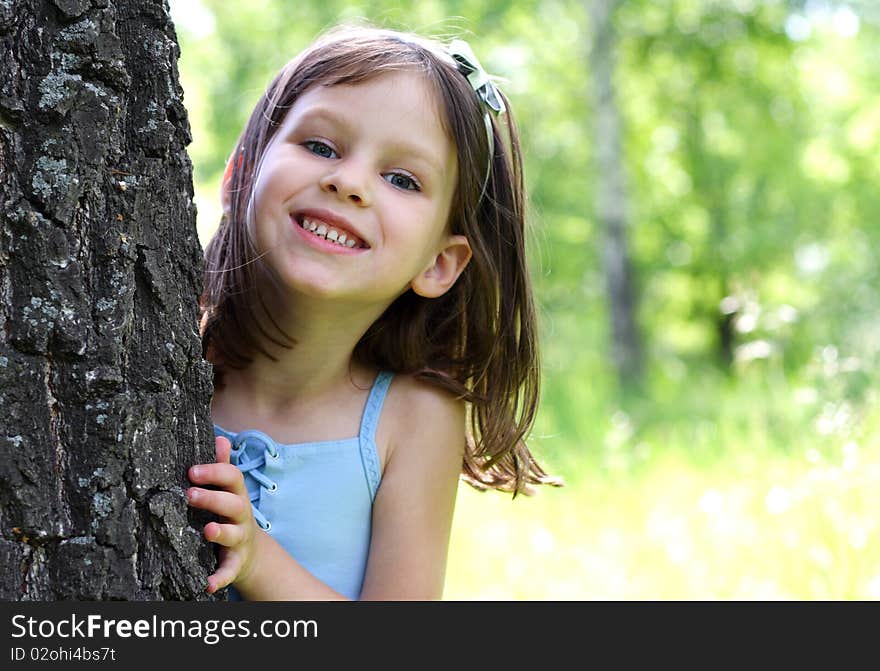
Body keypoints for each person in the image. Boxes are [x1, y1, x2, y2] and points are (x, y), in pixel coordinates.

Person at [187, 23, 560, 601]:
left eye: (401, 179)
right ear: (240, 177)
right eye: (320, 147)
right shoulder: (167, 354)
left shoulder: (412, 418)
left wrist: (260, 562)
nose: (349, 182)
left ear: (440, 261)